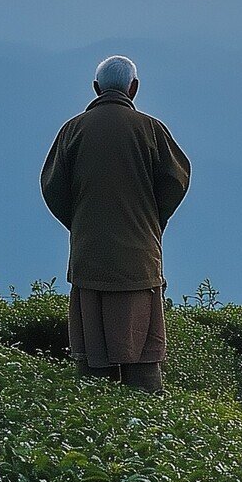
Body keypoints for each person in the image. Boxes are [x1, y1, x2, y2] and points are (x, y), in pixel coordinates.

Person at [40, 55, 192, 392]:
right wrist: (153, 219)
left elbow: (52, 186)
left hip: (89, 257)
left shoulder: (73, 130)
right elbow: (177, 179)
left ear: (95, 88)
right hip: (139, 258)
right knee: (143, 368)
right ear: (134, 88)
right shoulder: (152, 130)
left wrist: (80, 223)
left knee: (94, 367)